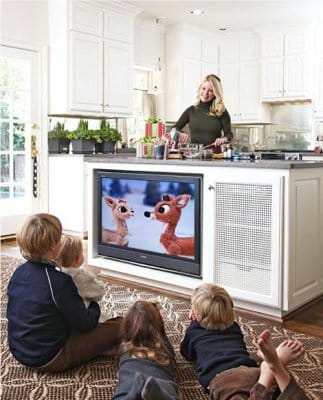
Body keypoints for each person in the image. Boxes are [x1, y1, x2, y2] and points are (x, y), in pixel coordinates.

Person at [6, 213, 122, 372]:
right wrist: (93, 303)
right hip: (50, 357)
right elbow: (86, 323)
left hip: (20, 351)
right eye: (60, 238)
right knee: (120, 325)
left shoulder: (18, 272)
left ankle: (100, 347)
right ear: (54, 247)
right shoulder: (59, 282)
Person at [180, 283, 309, 400]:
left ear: (195, 315)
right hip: (250, 370)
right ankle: (272, 369)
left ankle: (268, 372)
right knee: (276, 392)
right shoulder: (234, 327)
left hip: (224, 379)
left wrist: (193, 324)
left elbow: (185, 352)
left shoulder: (193, 332)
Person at [113, 300, 179, 400]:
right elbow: (163, 334)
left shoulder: (125, 348)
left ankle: (133, 394)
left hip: (130, 382)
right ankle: (157, 393)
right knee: (169, 392)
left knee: (122, 394)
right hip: (162, 383)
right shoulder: (165, 347)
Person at [174, 74, 233, 147]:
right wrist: (180, 133)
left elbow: (229, 135)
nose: (205, 93)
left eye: (211, 90)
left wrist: (224, 139)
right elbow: (175, 128)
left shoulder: (221, 111)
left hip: (215, 155)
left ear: (215, 93)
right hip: (194, 155)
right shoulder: (191, 111)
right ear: (199, 89)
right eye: (203, 88)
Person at [57, 234, 105, 309]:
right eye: (82, 252)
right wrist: (93, 278)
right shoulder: (80, 276)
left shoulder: (54, 272)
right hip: (80, 314)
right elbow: (100, 292)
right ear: (77, 258)